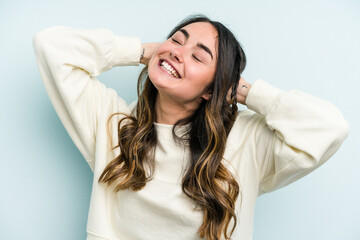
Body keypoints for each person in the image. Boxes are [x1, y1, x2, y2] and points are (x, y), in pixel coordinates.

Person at [33, 15, 349, 240]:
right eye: (175, 40)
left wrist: (245, 92)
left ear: (213, 88)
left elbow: (329, 127)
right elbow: (50, 45)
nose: (177, 52)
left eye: (197, 56)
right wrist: (141, 51)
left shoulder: (245, 139)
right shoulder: (112, 124)